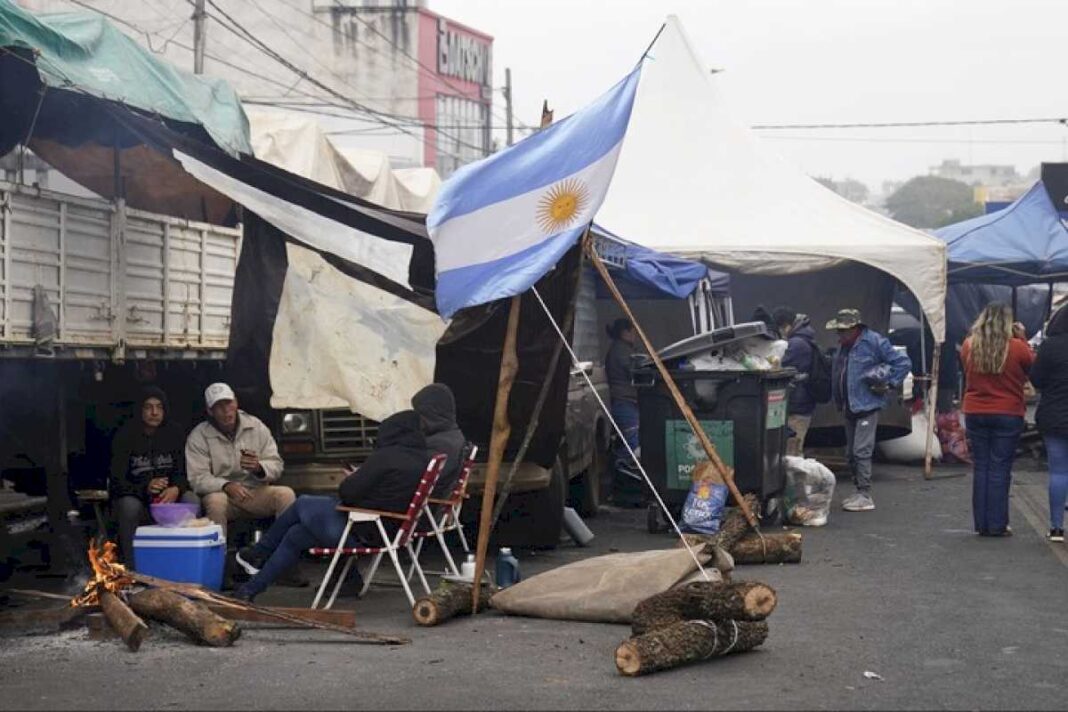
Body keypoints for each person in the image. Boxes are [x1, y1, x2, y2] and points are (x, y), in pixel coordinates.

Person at [233, 410, 430, 602]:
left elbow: (347, 492)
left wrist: (354, 477)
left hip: (361, 531)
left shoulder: (387, 457)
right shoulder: (420, 459)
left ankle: (258, 553)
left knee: (302, 503)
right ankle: (249, 590)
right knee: (296, 535)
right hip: (388, 531)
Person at [827, 308, 912, 512]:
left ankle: (864, 494)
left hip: (866, 405)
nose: (840, 334)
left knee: (861, 451)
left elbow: (902, 362)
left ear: (855, 328)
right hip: (850, 405)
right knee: (851, 453)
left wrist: (889, 383)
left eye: (843, 330)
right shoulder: (845, 346)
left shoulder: (874, 342)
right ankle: (859, 491)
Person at [960, 303, 1034, 537]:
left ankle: (981, 524)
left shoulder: (969, 345)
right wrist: (1022, 337)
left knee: (981, 466)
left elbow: (966, 369)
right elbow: (1033, 367)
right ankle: (997, 524)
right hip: (1007, 412)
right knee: (1000, 468)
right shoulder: (1018, 347)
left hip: (975, 410)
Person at [186, 383, 293, 536]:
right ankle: (217, 554)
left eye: (228, 403)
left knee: (285, 495)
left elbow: (276, 464)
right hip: (222, 496)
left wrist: (259, 468)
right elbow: (197, 478)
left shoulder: (256, 426)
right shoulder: (198, 436)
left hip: (255, 493)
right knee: (216, 502)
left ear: (236, 402)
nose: (226, 411)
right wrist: (226, 485)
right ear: (210, 411)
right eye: (218, 406)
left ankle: (282, 549)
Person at [109, 386, 199, 562]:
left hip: (168, 503)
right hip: (140, 502)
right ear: (140, 410)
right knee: (128, 506)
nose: (154, 412)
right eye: (148, 407)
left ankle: (183, 562)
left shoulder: (175, 433)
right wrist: (145, 487)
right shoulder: (124, 436)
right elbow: (116, 480)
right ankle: (132, 567)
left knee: (192, 499)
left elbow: (184, 472)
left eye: (159, 407)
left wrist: (176, 489)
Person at [1030, 305, 1068, 542]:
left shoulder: (1050, 347)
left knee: (1059, 471)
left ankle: (1056, 528)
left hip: (1054, 415)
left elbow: (1036, 378)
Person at [773, 307, 819, 456]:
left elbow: (781, 368)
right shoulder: (803, 339)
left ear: (786, 325)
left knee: (792, 451)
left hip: (798, 406)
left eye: (781, 327)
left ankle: (795, 479)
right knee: (792, 449)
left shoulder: (797, 344)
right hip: (801, 404)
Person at [411, 383, 466, 498]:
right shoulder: (452, 436)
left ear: (430, 413)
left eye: (419, 413)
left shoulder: (440, 445)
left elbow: (412, 479)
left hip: (424, 507)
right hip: (431, 505)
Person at [605, 318, 640, 473]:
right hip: (623, 402)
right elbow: (634, 371)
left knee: (629, 440)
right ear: (625, 332)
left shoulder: (620, 349)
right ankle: (621, 475)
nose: (636, 335)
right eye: (633, 331)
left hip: (624, 401)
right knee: (632, 443)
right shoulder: (622, 350)